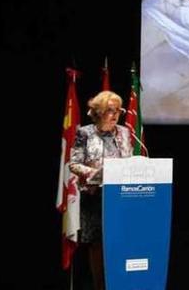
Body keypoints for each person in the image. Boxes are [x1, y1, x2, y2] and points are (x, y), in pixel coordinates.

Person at [69, 91, 134, 290]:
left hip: (120, 197)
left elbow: (129, 159)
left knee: (119, 242)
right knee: (98, 243)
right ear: (98, 112)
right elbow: (74, 164)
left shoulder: (123, 132)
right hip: (95, 197)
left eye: (118, 111)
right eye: (110, 111)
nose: (115, 115)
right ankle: (100, 285)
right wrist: (98, 173)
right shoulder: (85, 133)